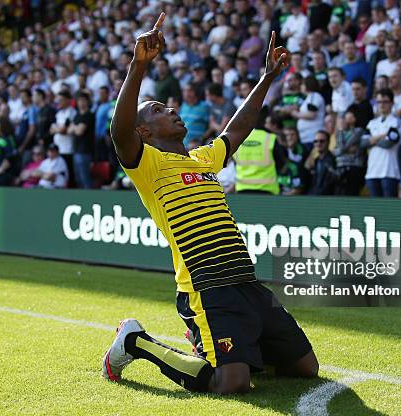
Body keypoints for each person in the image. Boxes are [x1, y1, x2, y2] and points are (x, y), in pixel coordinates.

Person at [104, 14, 317, 395]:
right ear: (144, 132)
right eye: (157, 110)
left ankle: (226, 348)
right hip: (207, 287)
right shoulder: (146, 164)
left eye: (169, 107)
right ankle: (135, 342)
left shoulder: (203, 159)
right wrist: (139, 66)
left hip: (246, 282)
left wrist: (267, 77)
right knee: (232, 384)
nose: (171, 110)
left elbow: (238, 128)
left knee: (306, 368)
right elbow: (119, 131)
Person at [362, 89, 401, 197]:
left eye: (385, 102)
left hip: (389, 171)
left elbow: (388, 144)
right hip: (372, 171)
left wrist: (373, 140)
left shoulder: (397, 122)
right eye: (379, 102)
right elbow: (363, 143)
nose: (381, 105)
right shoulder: (372, 123)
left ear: (391, 103)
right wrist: (382, 135)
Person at [333, 111, 365, 195]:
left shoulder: (358, 131)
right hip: (340, 167)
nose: (343, 121)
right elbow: (336, 152)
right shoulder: (340, 134)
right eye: (341, 119)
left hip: (354, 167)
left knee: (351, 194)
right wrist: (345, 150)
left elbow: (342, 148)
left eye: (345, 119)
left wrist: (341, 150)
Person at [69, 91, 95, 189]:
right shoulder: (77, 116)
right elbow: (69, 130)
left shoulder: (89, 115)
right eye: (79, 100)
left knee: (85, 179)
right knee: (78, 180)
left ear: (88, 102)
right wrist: (76, 127)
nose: (81, 103)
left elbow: (79, 131)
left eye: (84, 100)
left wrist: (74, 127)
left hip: (85, 151)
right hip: (76, 151)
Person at [304, 130, 336, 195]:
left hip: (325, 199)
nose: (318, 144)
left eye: (322, 141)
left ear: (328, 142)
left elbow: (328, 186)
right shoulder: (316, 160)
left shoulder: (332, 161)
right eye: (315, 141)